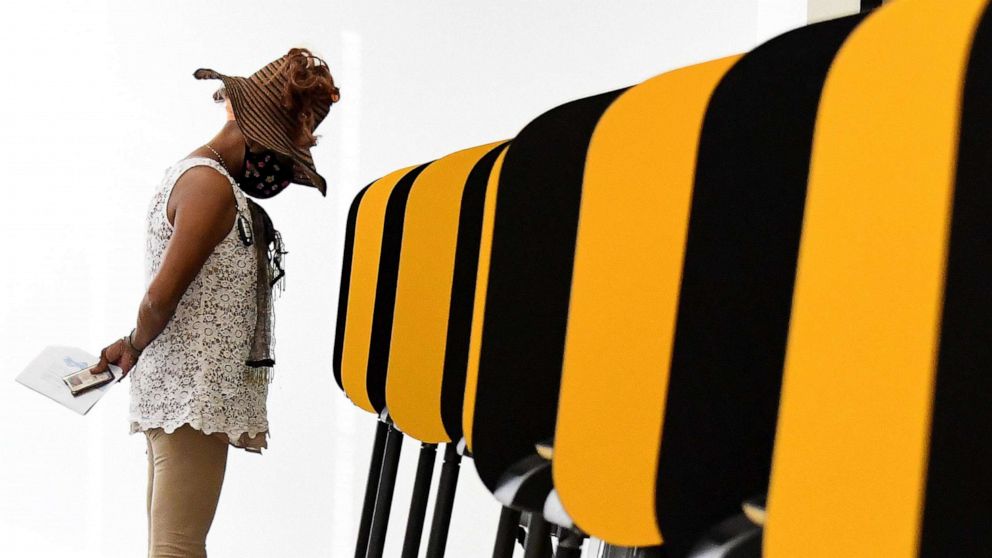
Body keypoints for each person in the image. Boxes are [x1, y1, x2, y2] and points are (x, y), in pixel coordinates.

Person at [89, 47, 340, 558]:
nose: (280, 170)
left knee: (170, 546)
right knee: (178, 548)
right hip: (192, 396)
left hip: (184, 392)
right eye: (280, 150)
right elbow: (160, 298)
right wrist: (133, 341)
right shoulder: (210, 187)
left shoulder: (207, 179)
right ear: (247, 125)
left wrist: (135, 343)